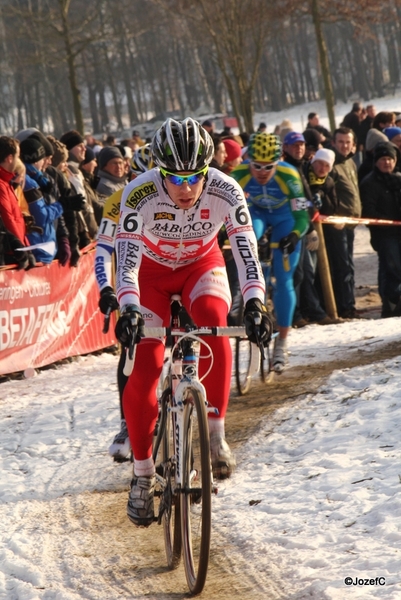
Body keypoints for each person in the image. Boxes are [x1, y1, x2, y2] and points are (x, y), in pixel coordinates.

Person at [113, 118, 271, 526]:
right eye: (174, 178)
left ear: (208, 170)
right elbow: (126, 262)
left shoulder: (225, 189)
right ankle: (143, 474)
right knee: (146, 362)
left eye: (194, 177)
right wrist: (128, 308)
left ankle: (215, 436)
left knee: (215, 321)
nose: (185, 188)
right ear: (159, 171)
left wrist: (255, 302)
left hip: (201, 265)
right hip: (150, 274)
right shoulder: (140, 192)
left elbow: (245, 252)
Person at [231, 132, 309, 372]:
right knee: (248, 236)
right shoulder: (239, 175)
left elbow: (302, 214)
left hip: (286, 218)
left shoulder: (289, 175)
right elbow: (226, 212)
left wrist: (295, 234)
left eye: (269, 167)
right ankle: (246, 291)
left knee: (284, 280)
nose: (262, 172)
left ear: (279, 160)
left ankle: (282, 342)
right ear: (248, 160)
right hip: (257, 214)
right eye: (256, 166)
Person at [95, 144, 154, 463]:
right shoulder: (117, 203)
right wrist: (106, 288)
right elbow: (102, 250)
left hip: (170, 277)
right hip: (133, 283)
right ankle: (126, 424)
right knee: (130, 350)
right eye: (138, 179)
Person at [282, 132, 334, 327]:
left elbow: (303, 198)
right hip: (289, 227)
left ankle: (311, 311)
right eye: (294, 145)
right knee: (294, 272)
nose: (299, 148)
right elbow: (293, 202)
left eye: (302, 145)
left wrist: (314, 198)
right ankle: (293, 314)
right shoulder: (285, 169)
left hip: (301, 226)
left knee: (305, 272)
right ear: (285, 148)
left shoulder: (300, 167)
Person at [360, 142, 401, 317]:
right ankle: (390, 306)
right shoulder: (369, 183)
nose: (387, 163)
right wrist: (390, 221)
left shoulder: (398, 179)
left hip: (398, 233)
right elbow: (368, 211)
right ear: (376, 161)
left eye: (390, 159)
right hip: (384, 234)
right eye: (383, 159)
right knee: (392, 269)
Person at [324, 127, 361, 319]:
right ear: (333, 143)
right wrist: (335, 213)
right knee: (342, 266)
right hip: (337, 223)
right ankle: (345, 306)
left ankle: (349, 302)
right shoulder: (331, 165)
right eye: (341, 142)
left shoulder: (350, 162)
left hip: (351, 223)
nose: (345, 145)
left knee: (349, 265)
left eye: (348, 142)